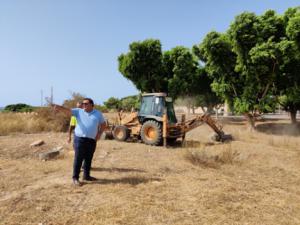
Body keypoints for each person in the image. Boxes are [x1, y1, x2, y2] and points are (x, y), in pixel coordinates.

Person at [52, 98, 106, 186]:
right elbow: (68, 111)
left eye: (86, 104)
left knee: (89, 158)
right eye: (83, 103)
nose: (83, 105)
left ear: (92, 105)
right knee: (78, 158)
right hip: (80, 139)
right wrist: (60, 107)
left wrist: (99, 134)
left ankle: (86, 176)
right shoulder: (78, 111)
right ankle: (75, 178)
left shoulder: (98, 114)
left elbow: (103, 124)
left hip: (92, 140)